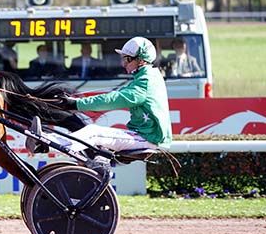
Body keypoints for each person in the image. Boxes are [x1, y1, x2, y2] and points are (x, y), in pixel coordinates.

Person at [26, 36, 172, 154]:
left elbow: (115, 99)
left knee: (93, 132)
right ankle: (46, 139)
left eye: (126, 59)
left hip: (148, 139)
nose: (123, 64)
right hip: (143, 135)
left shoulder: (146, 80)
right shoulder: (146, 76)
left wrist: (76, 104)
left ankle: (44, 144)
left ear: (140, 60)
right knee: (95, 139)